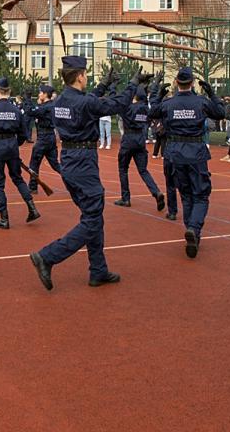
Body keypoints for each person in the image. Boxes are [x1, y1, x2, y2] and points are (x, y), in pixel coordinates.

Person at [29, 58, 142, 291]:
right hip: (83, 163)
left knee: (93, 217)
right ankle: (48, 256)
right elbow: (116, 105)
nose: (87, 77)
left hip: (70, 161)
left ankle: (98, 270)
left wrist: (103, 84)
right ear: (80, 76)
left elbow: (88, 101)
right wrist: (133, 84)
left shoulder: (60, 100)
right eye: (86, 74)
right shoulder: (82, 102)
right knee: (92, 218)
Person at [147, 68, 225, 257]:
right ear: (192, 83)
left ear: (176, 82)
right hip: (196, 153)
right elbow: (221, 113)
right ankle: (194, 228)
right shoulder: (201, 102)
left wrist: (158, 94)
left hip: (175, 153)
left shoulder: (168, 103)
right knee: (201, 195)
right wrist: (212, 93)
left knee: (186, 194)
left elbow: (152, 112)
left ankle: (192, 230)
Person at [0, 77, 40, 229]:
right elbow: (23, 133)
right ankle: (32, 208)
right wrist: (15, 144)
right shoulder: (16, 110)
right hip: (12, 147)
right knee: (18, 178)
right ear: (9, 92)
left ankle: (4, 218)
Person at [114, 83, 165, 210]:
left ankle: (126, 198)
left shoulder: (128, 108)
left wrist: (113, 87)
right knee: (143, 170)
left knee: (123, 169)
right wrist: (153, 90)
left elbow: (117, 102)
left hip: (128, 139)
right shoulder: (145, 109)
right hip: (140, 140)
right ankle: (156, 191)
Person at [24, 84, 62, 195]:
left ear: (45, 94)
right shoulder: (50, 106)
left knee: (34, 164)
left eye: (40, 92)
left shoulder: (46, 107)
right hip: (50, 137)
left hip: (43, 138)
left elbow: (29, 111)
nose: (39, 94)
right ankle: (73, 182)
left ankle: (32, 187)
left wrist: (27, 99)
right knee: (55, 164)